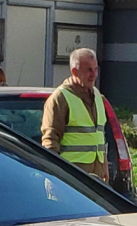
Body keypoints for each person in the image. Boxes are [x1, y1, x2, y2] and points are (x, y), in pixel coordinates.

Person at [41, 47, 112, 181]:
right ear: (74, 71)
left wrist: (104, 166)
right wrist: (53, 176)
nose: (94, 75)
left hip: (96, 178)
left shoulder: (98, 97)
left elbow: (99, 137)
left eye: (95, 69)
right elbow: (50, 141)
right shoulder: (60, 98)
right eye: (88, 70)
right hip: (70, 177)